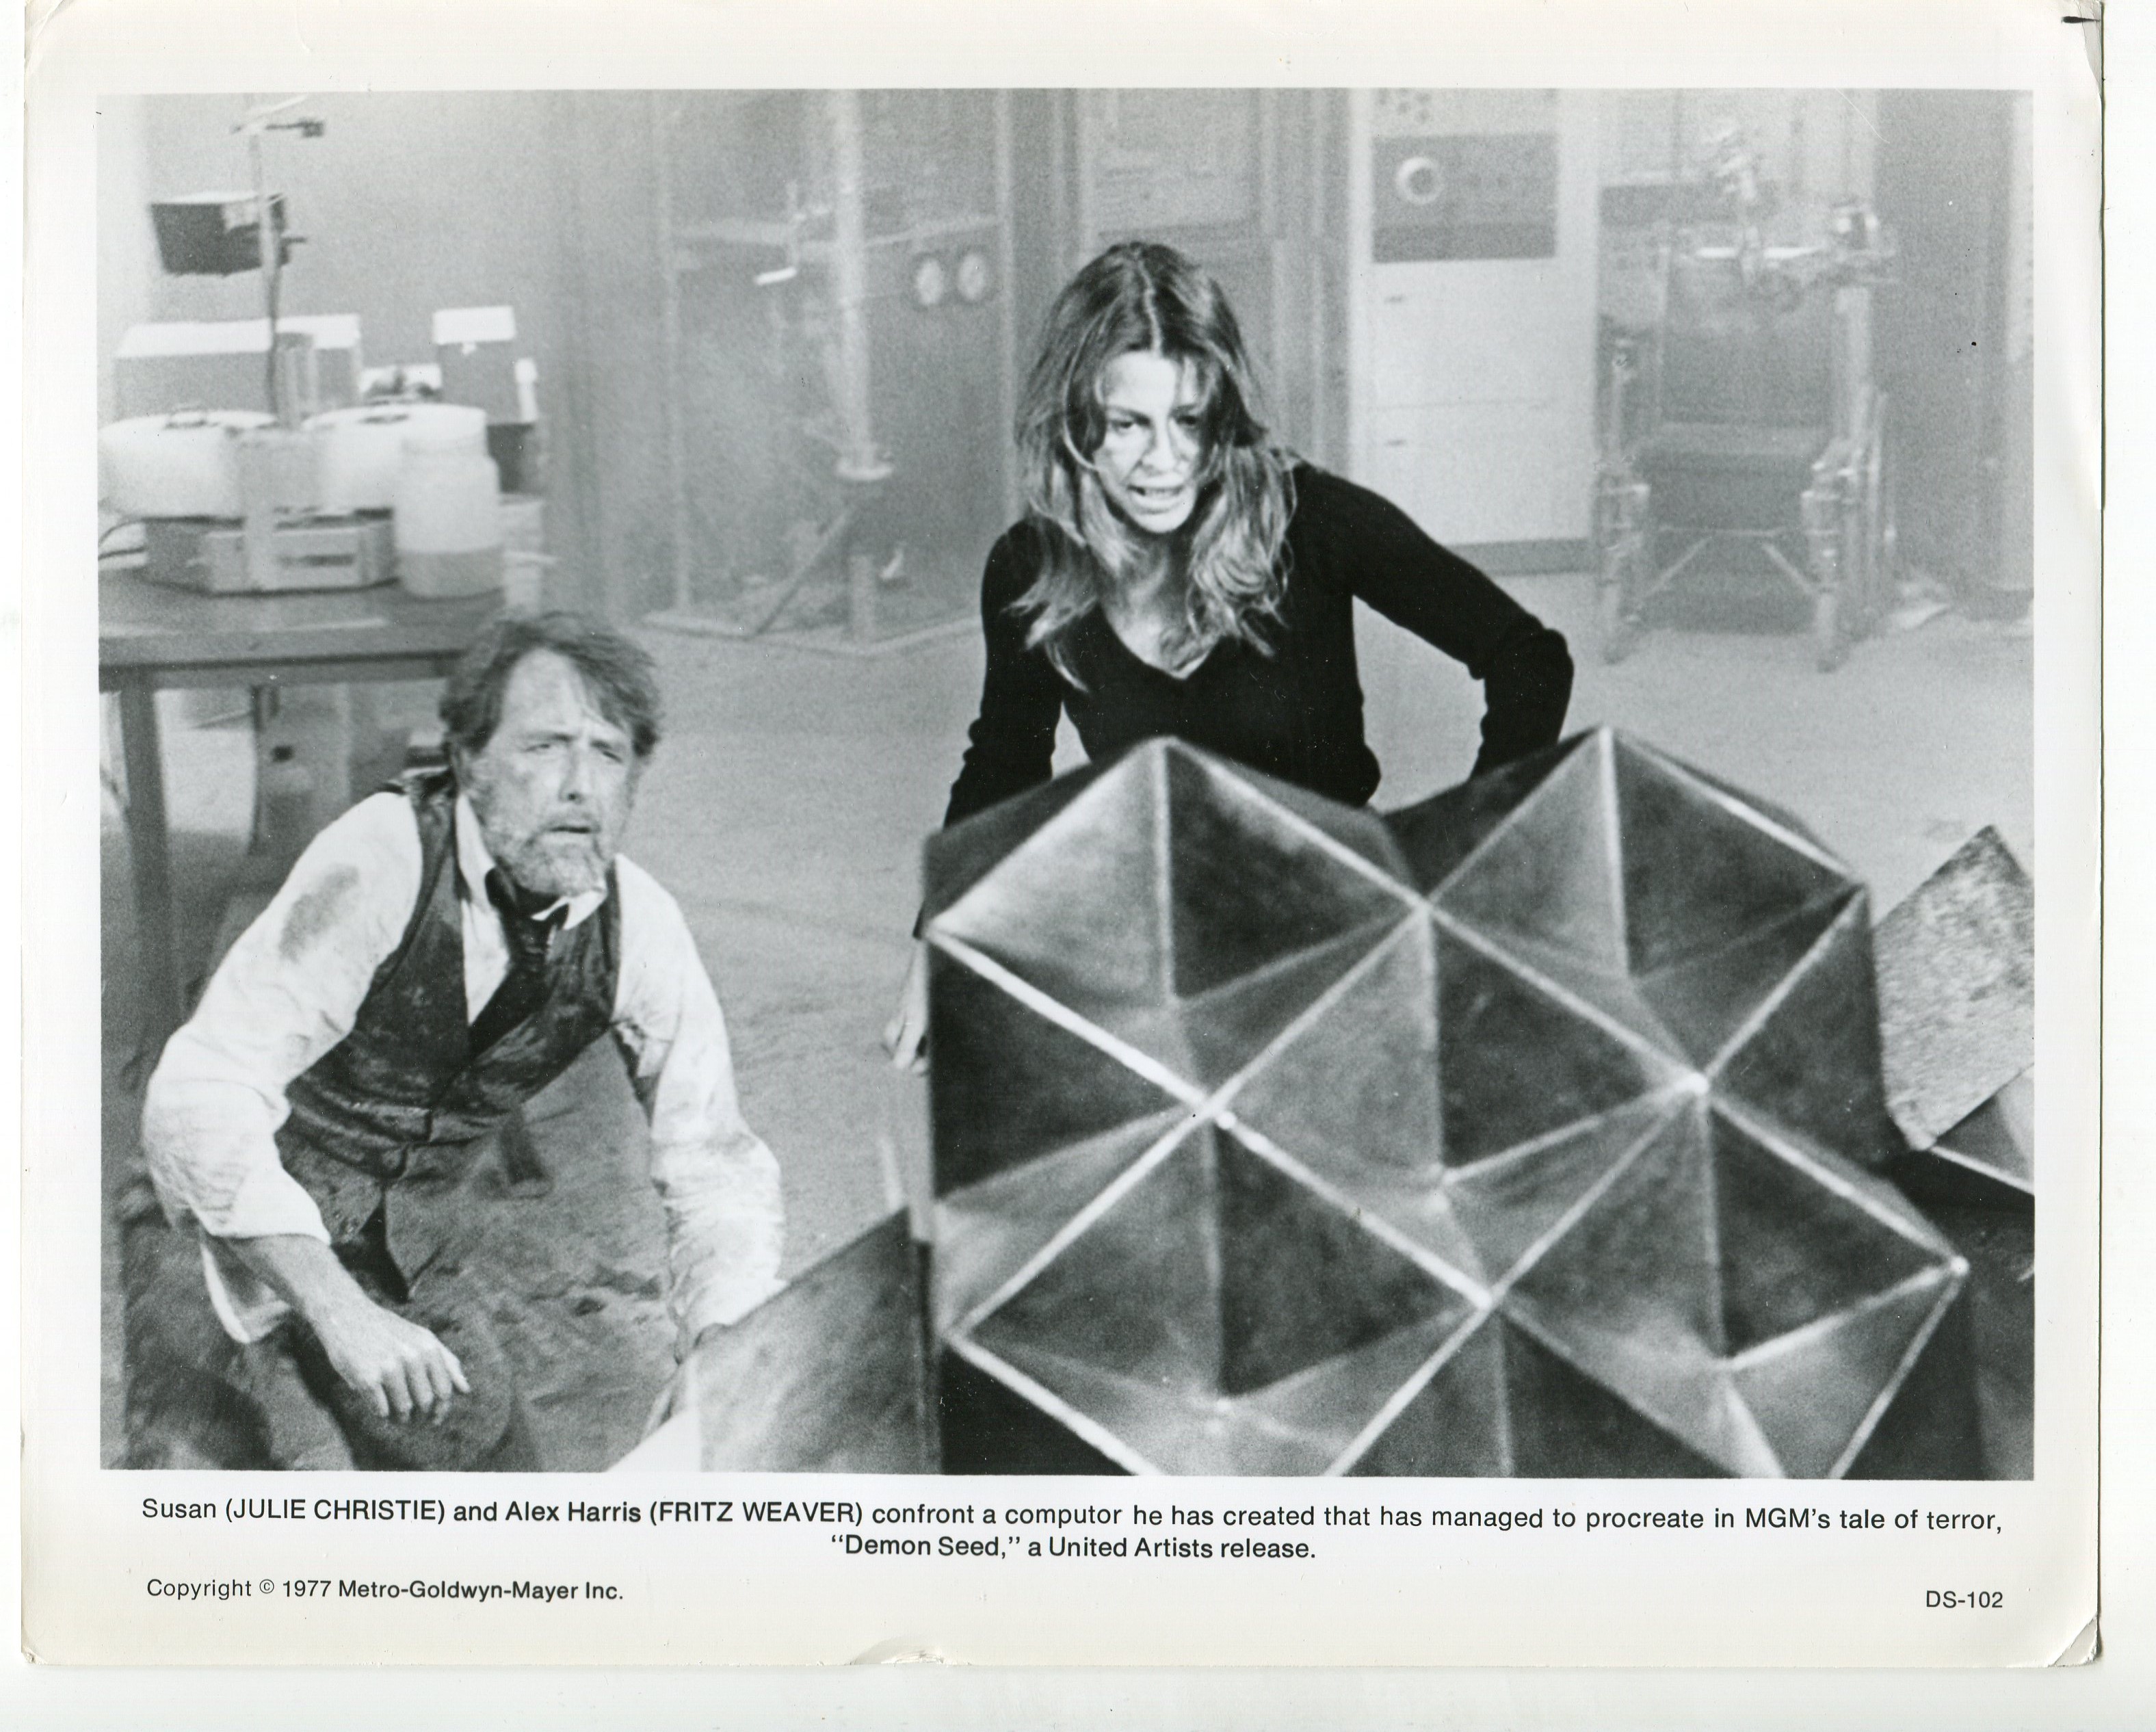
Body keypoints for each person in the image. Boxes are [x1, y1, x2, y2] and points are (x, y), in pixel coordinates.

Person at [885, 240, 1574, 1065]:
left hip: (1336, 925)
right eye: (1127, 425)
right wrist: (935, 945)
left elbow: (1529, 659)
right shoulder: (1030, 568)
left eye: (1188, 421)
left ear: (1221, 417)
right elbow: (1005, 762)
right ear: (1073, 427)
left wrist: (1469, 862)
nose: (1164, 461)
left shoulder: (1313, 522)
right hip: (1164, 943)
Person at [138, 611, 785, 1469]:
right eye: (545, 746)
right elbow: (200, 1094)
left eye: (608, 755)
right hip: (218, 1236)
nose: (579, 788)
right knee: (206, 1512)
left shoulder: (642, 929)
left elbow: (716, 1165)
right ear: (469, 760)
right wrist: (339, 1313)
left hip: (406, 1267)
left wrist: (718, 1346)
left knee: (508, 1520)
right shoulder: (383, 855)